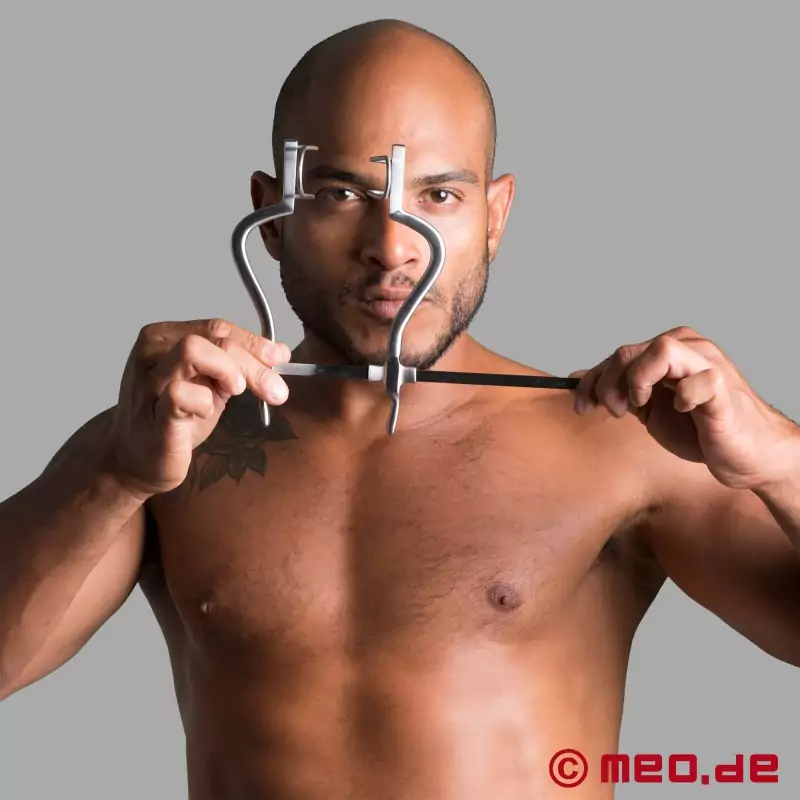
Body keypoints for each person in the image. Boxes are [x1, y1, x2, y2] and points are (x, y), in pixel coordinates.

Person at [1, 18, 798, 800]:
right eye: (340, 193)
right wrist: (112, 477)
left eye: (439, 194)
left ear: (494, 216)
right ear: (272, 216)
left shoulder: (620, 444)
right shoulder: (166, 446)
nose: (391, 247)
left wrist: (779, 461)